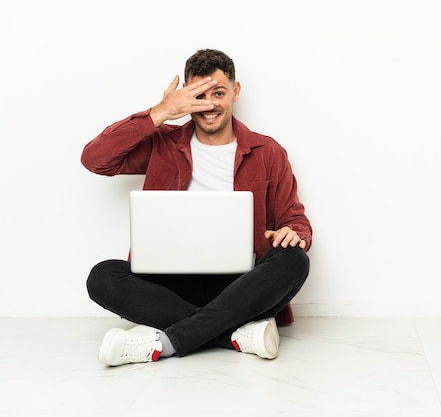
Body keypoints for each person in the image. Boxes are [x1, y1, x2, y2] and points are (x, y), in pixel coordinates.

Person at [81, 49, 312, 367]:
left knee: (294, 260)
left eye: (218, 93)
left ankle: (164, 342)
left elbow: (295, 218)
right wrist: (159, 113)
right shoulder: (163, 143)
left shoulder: (268, 151)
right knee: (102, 277)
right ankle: (235, 334)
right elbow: (94, 160)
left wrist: (293, 232)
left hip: (240, 287)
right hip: (168, 286)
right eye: (197, 95)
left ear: (235, 92)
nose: (209, 105)